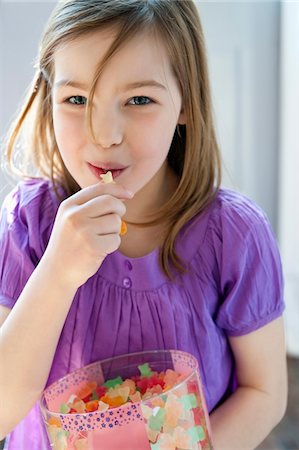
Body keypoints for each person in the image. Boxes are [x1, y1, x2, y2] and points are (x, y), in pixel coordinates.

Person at [0, 1, 287, 449]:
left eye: (138, 100)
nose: (104, 134)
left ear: (186, 104)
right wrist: (56, 274)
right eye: (76, 99)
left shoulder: (235, 235)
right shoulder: (29, 224)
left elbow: (265, 392)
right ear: (47, 99)